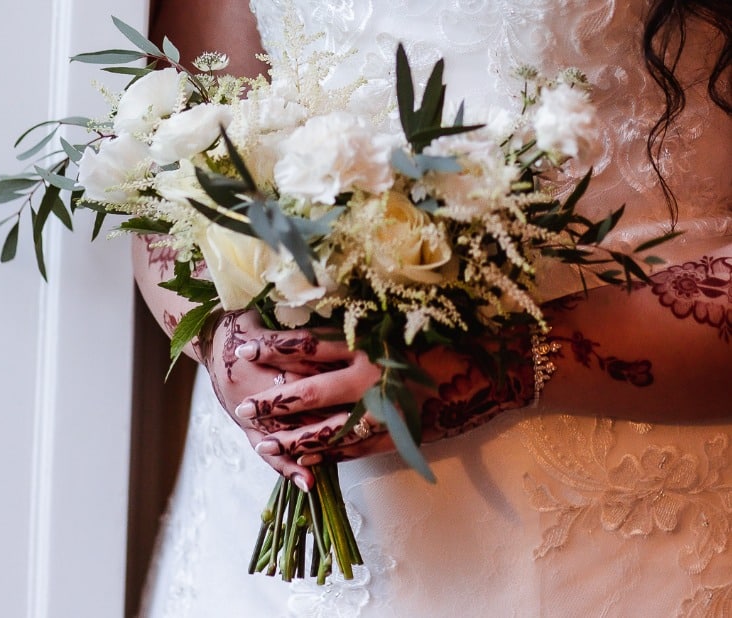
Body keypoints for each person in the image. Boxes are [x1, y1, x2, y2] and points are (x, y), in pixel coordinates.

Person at [134, 1, 731, 616]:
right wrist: (224, 335)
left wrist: (505, 363)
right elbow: (177, 144)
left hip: (612, 538)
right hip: (262, 536)